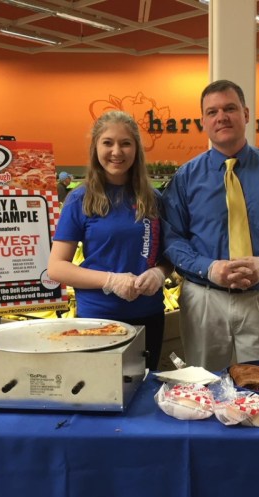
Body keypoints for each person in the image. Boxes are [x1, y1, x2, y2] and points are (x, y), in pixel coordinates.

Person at [161, 79, 259, 371]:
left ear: (246, 114)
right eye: (212, 112)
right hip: (204, 300)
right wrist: (207, 267)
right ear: (203, 122)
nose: (222, 117)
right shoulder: (185, 178)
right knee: (205, 385)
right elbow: (172, 238)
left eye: (230, 108)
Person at [48, 111, 170, 371]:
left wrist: (159, 273)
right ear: (95, 147)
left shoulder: (154, 198)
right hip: (98, 319)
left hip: (149, 316)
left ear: (136, 148)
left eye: (126, 143)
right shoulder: (80, 199)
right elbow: (57, 267)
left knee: (143, 393)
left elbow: (167, 255)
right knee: (102, 396)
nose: (117, 151)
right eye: (108, 142)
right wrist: (111, 280)